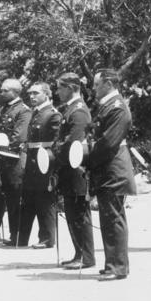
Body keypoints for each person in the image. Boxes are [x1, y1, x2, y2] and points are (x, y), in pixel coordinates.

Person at [89, 69, 137, 281]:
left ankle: (117, 266)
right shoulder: (108, 105)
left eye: (97, 84)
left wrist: (86, 159)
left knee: (113, 218)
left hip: (113, 167)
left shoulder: (117, 107)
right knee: (109, 218)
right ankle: (113, 263)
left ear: (108, 83)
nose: (94, 88)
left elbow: (108, 143)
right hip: (107, 167)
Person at [53, 73, 95, 268]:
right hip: (68, 168)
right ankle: (79, 253)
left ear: (71, 87)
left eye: (60, 87)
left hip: (76, 168)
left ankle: (86, 257)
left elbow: (73, 142)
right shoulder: (70, 109)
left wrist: (55, 155)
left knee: (79, 214)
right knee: (72, 213)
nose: (57, 91)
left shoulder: (78, 111)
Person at [17, 82, 62, 248]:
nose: (31, 96)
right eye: (30, 93)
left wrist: (52, 165)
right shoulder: (36, 113)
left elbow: (57, 142)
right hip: (32, 161)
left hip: (45, 161)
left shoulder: (52, 114)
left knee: (45, 200)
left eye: (36, 93)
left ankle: (47, 238)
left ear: (46, 94)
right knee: (28, 199)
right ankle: (21, 238)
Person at [0, 79, 31, 246]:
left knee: (14, 197)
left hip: (13, 159)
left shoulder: (23, 110)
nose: (1, 93)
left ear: (14, 92)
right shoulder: (2, 109)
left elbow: (18, 137)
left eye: (4, 90)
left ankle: (17, 234)